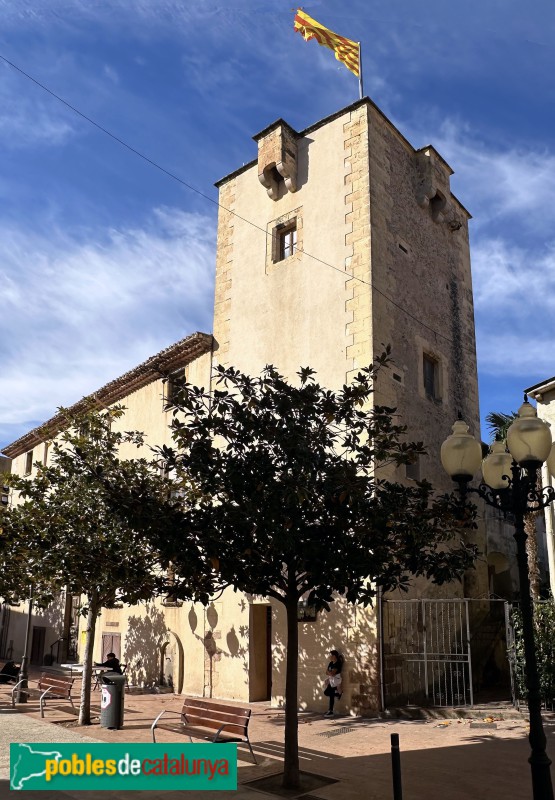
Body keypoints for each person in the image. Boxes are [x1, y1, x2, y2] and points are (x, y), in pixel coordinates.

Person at [323, 649, 344, 717]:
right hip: (331, 680)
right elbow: (326, 672)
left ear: (334, 656)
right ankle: (338, 693)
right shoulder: (331, 663)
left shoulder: (337, 664)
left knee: (330, 694)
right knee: (327, 692)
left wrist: (329, 672)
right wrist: (330, 673)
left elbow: (332, 673)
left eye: (330, 655)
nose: (329, 656)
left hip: (336, 681)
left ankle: (330, 711)